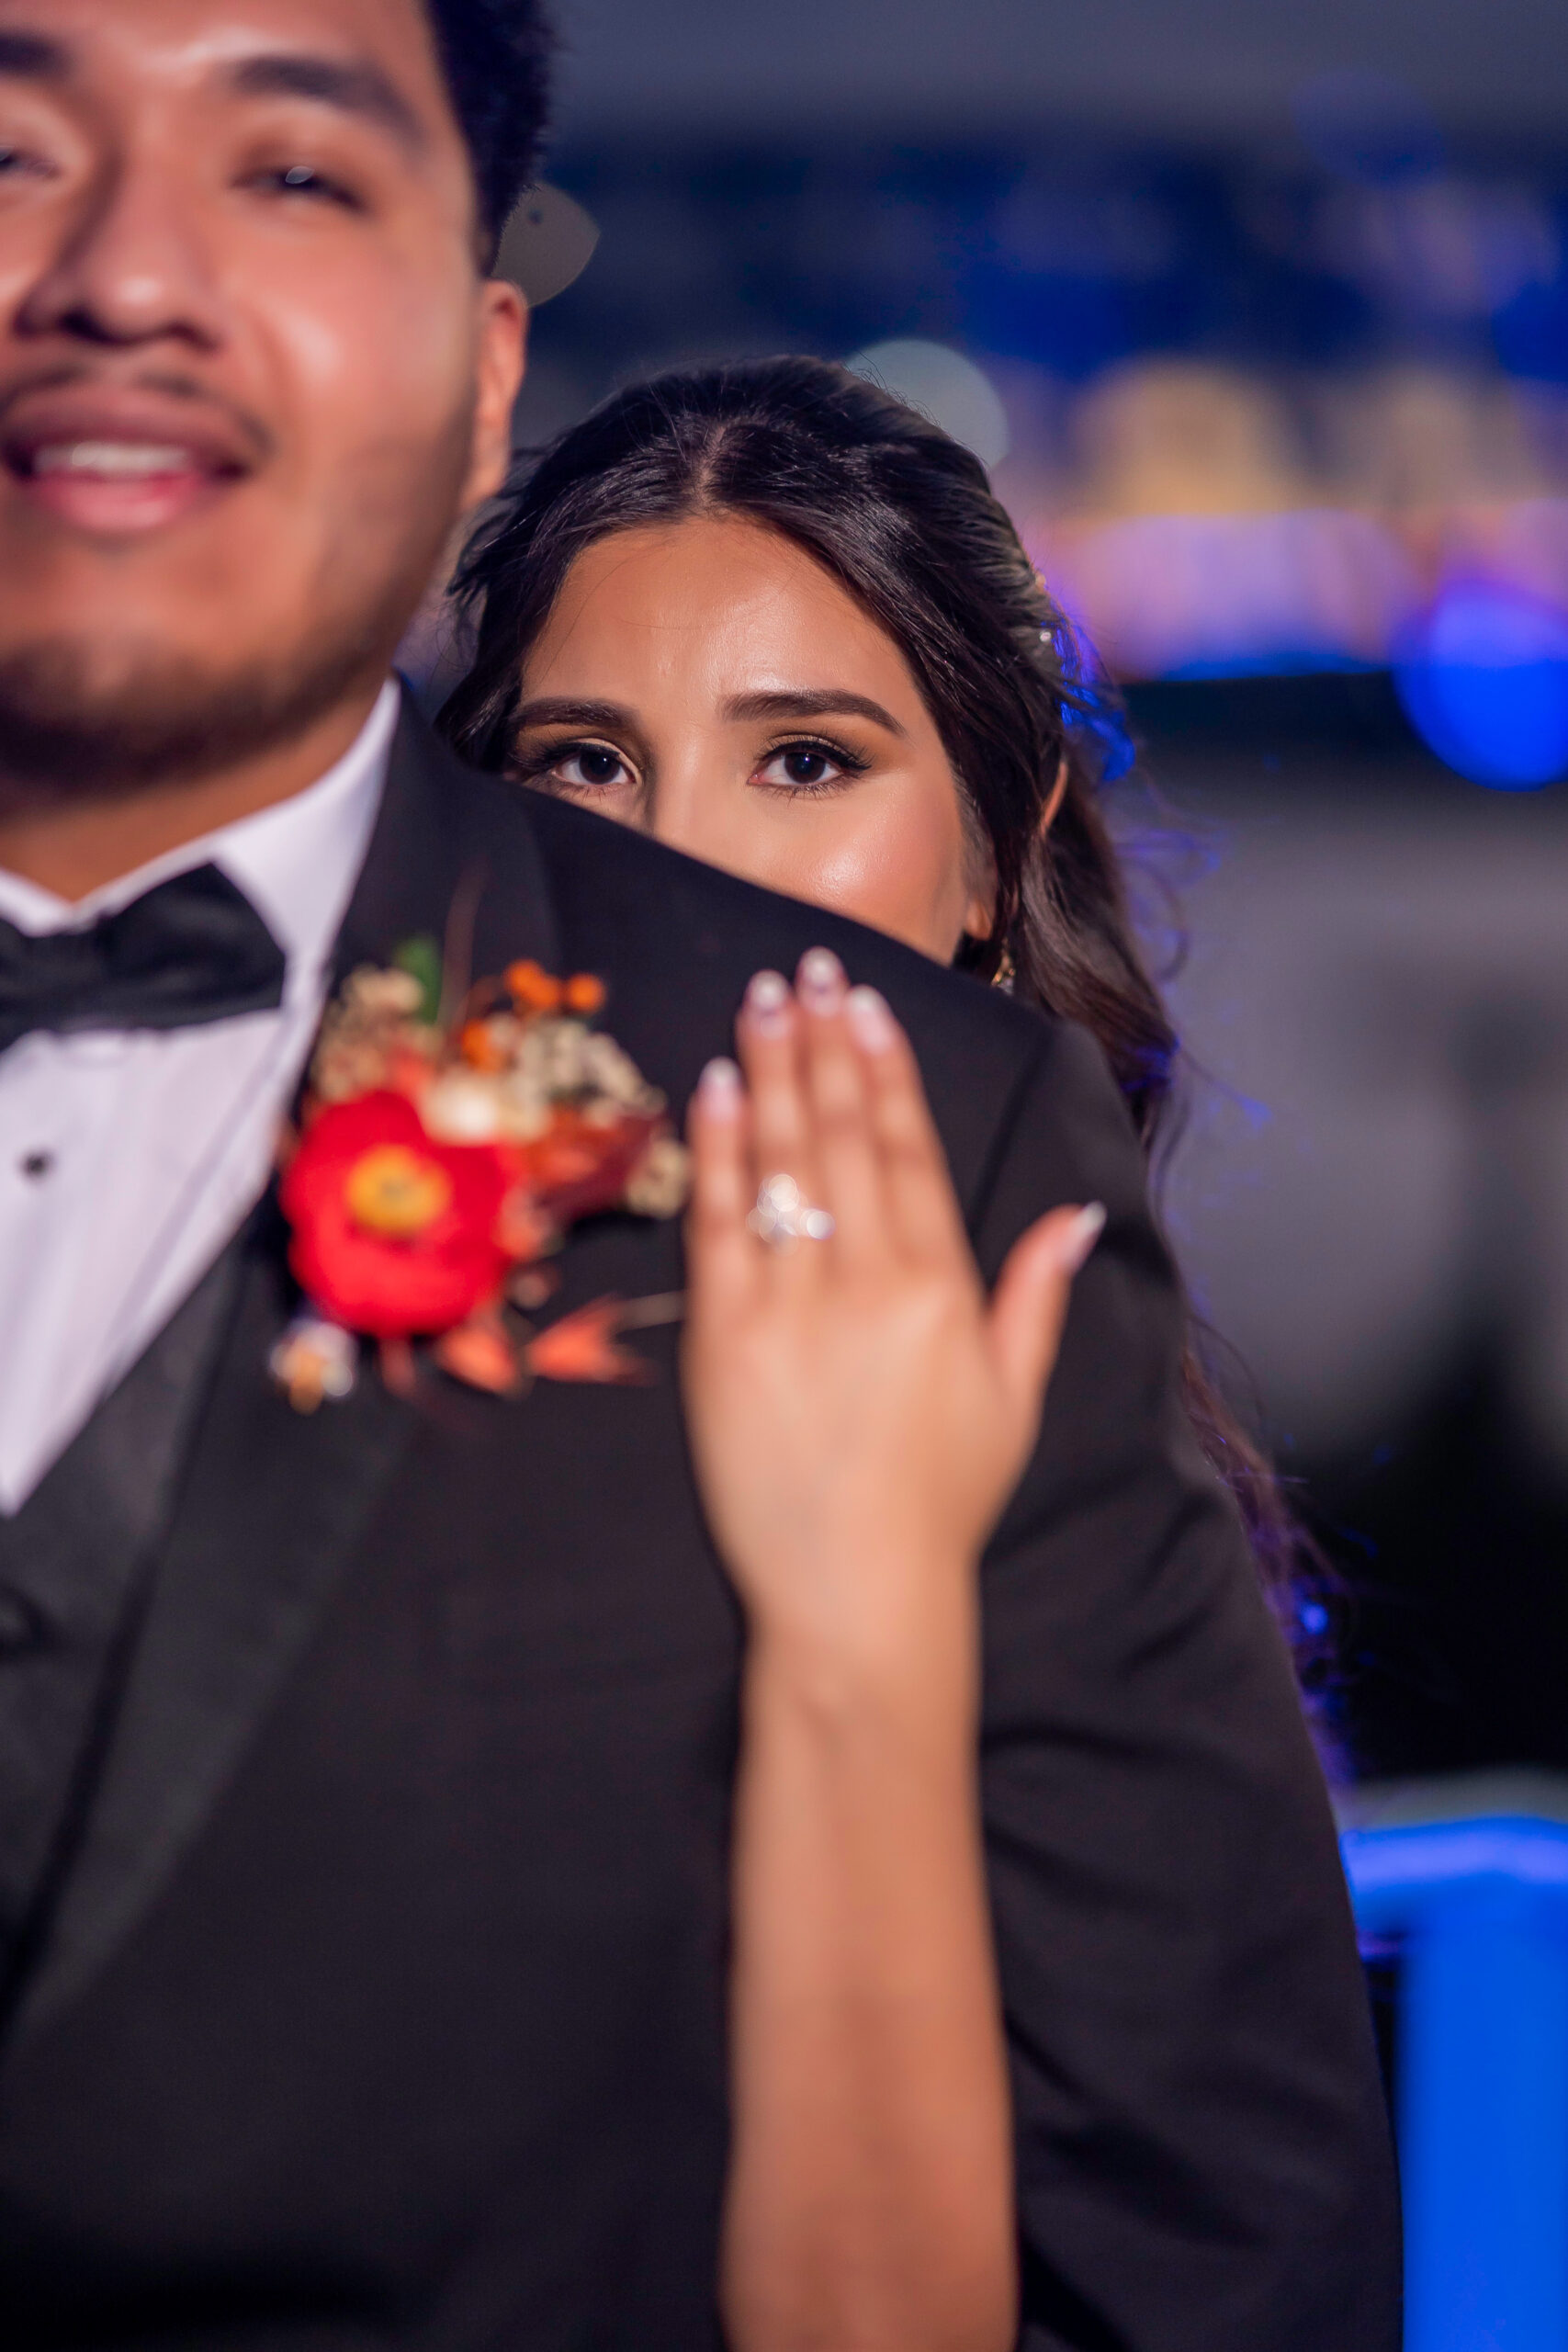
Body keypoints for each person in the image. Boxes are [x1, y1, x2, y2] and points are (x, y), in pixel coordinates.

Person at [0, 14, 1398, 2352]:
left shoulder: (979, 1184)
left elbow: (1201, 2251)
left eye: (294, 173)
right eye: (585, 759)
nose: (131, 272)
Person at [439, 356, 1318, 1663]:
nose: (678, 858)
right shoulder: (358, 1346)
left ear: (994, 858)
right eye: (585, 762)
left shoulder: (1075, 1467)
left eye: (803, 762)